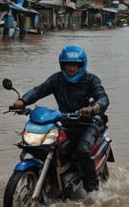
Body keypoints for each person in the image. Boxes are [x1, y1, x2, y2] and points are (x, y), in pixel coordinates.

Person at [12, 45, 109, 193]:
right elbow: (39, 91)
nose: (71, 68)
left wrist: (93, 108)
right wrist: (23, 101)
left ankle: (92, 189)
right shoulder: (57, 79)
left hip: (89, 123)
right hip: (66, 122)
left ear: (82, 65)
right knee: (43, 145)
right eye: (68, 65)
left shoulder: (91, 80)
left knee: (82, 150)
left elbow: (103, 98)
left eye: (75, 65)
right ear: (62, 64)